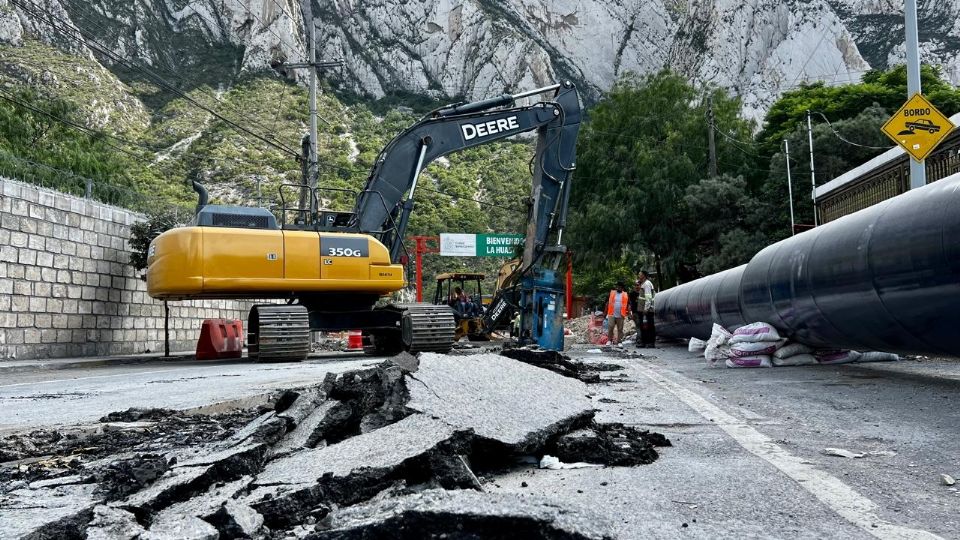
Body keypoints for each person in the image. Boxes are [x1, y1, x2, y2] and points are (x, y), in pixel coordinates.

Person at [605, 281, 629, 346]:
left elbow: (628, 305)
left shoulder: (625, 294)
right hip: (611, 313)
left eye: (620, 287)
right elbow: (607, 303)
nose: (618, 288)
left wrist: (629, 313)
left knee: (620, 329)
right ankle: (609, 340)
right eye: (617, 286)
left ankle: (619, 341)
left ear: (622, 288)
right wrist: (605, 313)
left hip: (621, 314)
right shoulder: (612, 293)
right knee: (610, 327)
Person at [637, 271, 657, 347]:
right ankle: (644, 342)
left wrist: (646, 308)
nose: (639, 275)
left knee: (649, 326)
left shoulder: (647, 284)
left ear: (644, 276)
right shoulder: (643, 284)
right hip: (642, 309)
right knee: (643, 326)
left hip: (647, 310)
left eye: (640, 274)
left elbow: (648, 298)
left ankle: (650, 343)